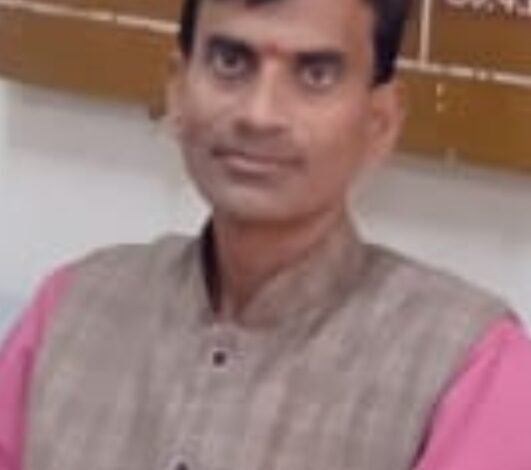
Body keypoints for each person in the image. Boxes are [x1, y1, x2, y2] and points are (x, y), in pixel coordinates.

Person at [1, 0, 531, 469]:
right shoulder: (68, 310)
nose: (260, 114)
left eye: (315, 74)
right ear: (179, 89)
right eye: (231, 63)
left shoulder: (467, 367)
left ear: (379, 121)